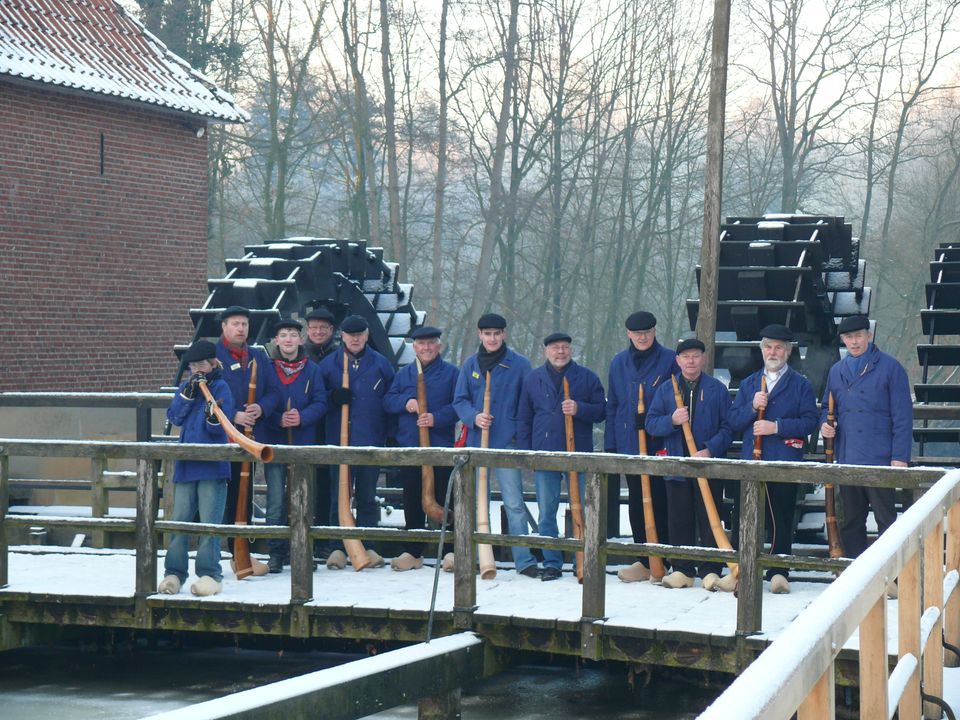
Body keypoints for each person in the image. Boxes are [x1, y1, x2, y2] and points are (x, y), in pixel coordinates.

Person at [727, 324, 818, 594]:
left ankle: (779, 571)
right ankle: (740, 570)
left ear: (788, 352)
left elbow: (810, 421)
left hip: (783, 460)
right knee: (745, 517)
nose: (773, 352)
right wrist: (751, 406)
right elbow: (734, 420)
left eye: (779, 347)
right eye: (768, 347)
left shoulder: (801, 384)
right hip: (751, 461)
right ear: (762, 350)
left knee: (781, 516)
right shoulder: (749, 383)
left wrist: (776, 427)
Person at [819, 315, 912, 565]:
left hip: (881, 459)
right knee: (851, 520)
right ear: (843, 340)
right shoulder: (836, 371)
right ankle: (855, 572)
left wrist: (900, 457)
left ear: (869, 336)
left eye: (859, 336)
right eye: (849, 337)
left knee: (886, 520)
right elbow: (827, 408)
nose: (854, 342)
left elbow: (903, 416)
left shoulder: (891, 368)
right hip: (848, 457)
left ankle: (891, 573)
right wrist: (825, 425)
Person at [646, 338, 733, 590]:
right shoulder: (666, 390)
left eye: (695, 356)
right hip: (677, 464)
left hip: (707, 465)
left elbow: (729, 427)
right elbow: (651, 423)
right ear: (678, 361)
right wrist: (672, 420)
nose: (691, 361)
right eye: (686, 357)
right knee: (679, 518)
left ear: (703, 359)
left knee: (710, 518)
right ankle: (682, 569)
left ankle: (710, 569)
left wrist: (710, 449)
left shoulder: (717, 390)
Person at [517, 332, 606, 581]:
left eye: (565, 347)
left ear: (571, 350)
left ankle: (584, 559)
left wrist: (580, 408)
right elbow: (524, 417)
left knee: (584, 509)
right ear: (546, 351)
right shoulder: (533, 379)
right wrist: (527, 454)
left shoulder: (587, 377)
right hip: (545, 453)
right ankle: (552, 563)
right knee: (547, 511)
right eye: (555, 348)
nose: (560, 352)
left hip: (578, 453)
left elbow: (602, 411)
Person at [453, 313, 535, 577]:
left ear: (504, 334)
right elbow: (459, 400)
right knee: (477, 502)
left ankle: (524, 560)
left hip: (506, 444)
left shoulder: (520, 365)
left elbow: (527, 404)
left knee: (514, 503)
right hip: (477, 444)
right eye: (487, 334)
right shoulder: (470, 364)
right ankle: (479, 557)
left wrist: (519, 438)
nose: (492, 338)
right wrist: (474, 417)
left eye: (496, 333)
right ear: (480, 335)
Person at [318, 314, 395, 569]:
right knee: (337, 496)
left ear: (366, 335)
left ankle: (368, 544)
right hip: (337, 441)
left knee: (367, 495)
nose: (355, 339)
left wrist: (389, 436)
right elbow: (317, 400)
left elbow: (391, 398)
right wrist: (332, 397)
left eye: (360, 334)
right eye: (350, 335)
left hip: (369, 439)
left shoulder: (381, 364)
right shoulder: (328, 365)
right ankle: (338, 547)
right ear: (342, 336)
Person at [605, 311, 676, 583]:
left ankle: (664, 558)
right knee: (636, 502)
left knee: (661, 500)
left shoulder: (670, 360)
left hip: (660, 443)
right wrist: (611, 445)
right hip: (628, 442)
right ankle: (644, 559)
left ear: (655, 331)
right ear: (628, 334)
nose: (642, 337)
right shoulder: (618, 363)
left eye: (647, 332)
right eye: (637, 333)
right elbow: (613, 405)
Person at [159, 340, 235, 597]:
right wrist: (187, 396)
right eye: (192, 366)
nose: (197, 370)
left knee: (208, 525)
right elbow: (174, 417)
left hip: (212, 467)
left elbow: (221, 428)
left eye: (201, 364)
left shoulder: (222, 387)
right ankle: (174, 573)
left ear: (212, 364)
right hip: (186, 464)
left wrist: (213, 417)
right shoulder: (186, 387)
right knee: (179, 522)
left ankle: (210, 574)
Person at [383, 326, 460, 572]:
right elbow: (388, 401)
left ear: (439, 346)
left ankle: (450, 551)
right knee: (412, 499)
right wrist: (405, 402)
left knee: (446, 496)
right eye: (421, 344)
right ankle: (413, 551)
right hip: (411, 446)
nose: (426, 348)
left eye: (431, 343)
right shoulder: (404, 374)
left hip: (440, 447)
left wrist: (436, 418)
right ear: (414, 347)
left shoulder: (452, 374)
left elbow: (458, 405)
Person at [215, 305, 278, 576]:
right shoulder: (212, 357)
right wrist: (233, 414)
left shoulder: (258, 356)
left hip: (249, 438)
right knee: (218, 498)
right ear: (224, 327)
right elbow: (206, 396)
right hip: (220, 438)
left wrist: (261, 408)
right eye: (235, 324)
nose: (241, 329)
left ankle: (241, 553)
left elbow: (273, 391)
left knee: (244, 494)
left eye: (244, 324)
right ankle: (216, 555)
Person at [261, 318, 327, 573]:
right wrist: (276, 418)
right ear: (276, 341)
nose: (288, 339)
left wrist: (302, 417)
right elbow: (259, 402)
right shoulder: (266, 369)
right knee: (276, 501)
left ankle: (302, 550)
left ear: (301, 340)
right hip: (275, 443)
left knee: (302, 499)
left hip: (302, 443)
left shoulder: (313, 370)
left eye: (292, 335)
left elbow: (321, 402)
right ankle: (276, 552)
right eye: (283, 335)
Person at [303, 307, 339, 560]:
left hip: (331, 429)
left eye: (323, 328)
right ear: (307, 330)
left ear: (332, 331)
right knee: (303, 484)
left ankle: (326, 538)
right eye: (314, 328)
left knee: (327, 486)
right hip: (303, 429)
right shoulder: (298, 355)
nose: (318, 332)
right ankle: (298, 536)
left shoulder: (340, 357)